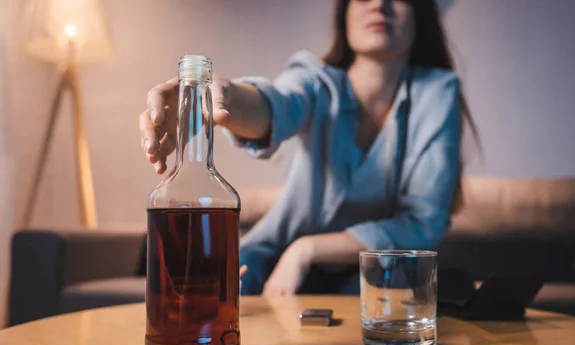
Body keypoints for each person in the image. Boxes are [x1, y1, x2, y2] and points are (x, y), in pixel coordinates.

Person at [139, 0, 476, 297]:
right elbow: (276, 104)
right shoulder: (315, 79)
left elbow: (422, 225)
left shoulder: (438, 93)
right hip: (268, 258)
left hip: (378, 274)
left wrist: (307, 250)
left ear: (421, 14)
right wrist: (221, 95)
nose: (380, 4)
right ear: (343, 13)